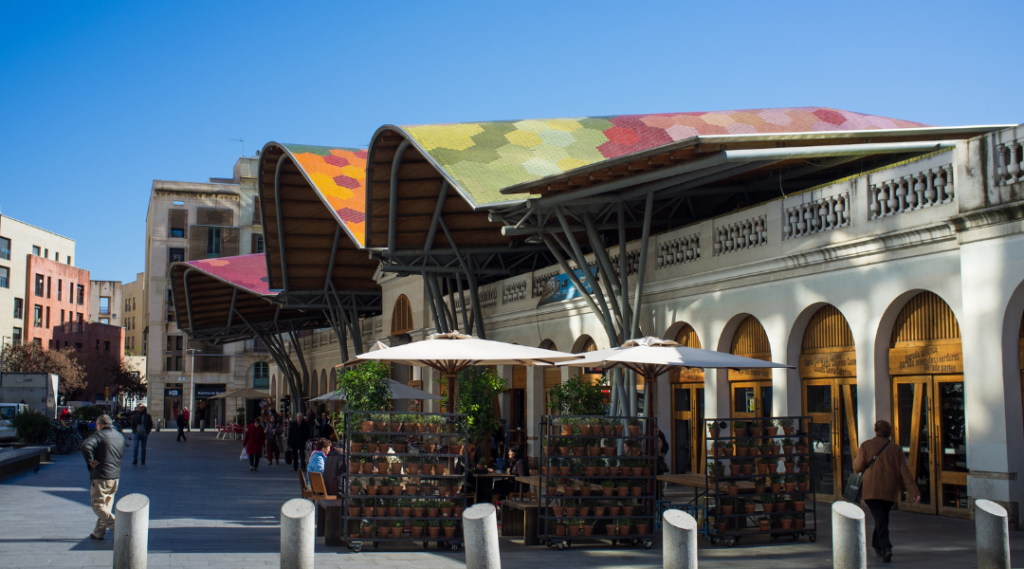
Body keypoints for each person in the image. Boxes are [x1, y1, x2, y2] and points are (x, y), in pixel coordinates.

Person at [854, 419, 921, 563]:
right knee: (882, 518)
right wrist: (914, 492)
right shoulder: (896, 449)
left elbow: (858, 467)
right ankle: (880, 545)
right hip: (890, 491)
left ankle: (885, 547)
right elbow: (905, 473)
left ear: (875, 431)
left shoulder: (866, 446)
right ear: (889, 432)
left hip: (871, 490)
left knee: (881, 518)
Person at [81, 414, 123, 540]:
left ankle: (119, 527)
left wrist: (90, 460)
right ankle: (98, 532)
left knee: (98, 505)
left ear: (99, 424)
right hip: (115, 476)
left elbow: (85, 445)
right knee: (107, 506)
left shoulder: (99, 435)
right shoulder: (119, 435)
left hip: (102, 475)